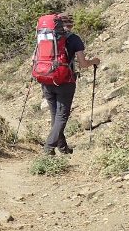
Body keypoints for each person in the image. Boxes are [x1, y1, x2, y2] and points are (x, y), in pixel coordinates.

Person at [41, 13, 99, 155]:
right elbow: (83, 64)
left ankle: (62, 147)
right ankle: (49, 147)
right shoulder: (74, 38)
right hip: (65, 81)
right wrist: (94, 61)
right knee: (62, 116)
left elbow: (34, 58)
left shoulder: (46, 36)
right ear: (71, 25)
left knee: (55, 114)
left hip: (46, 78)